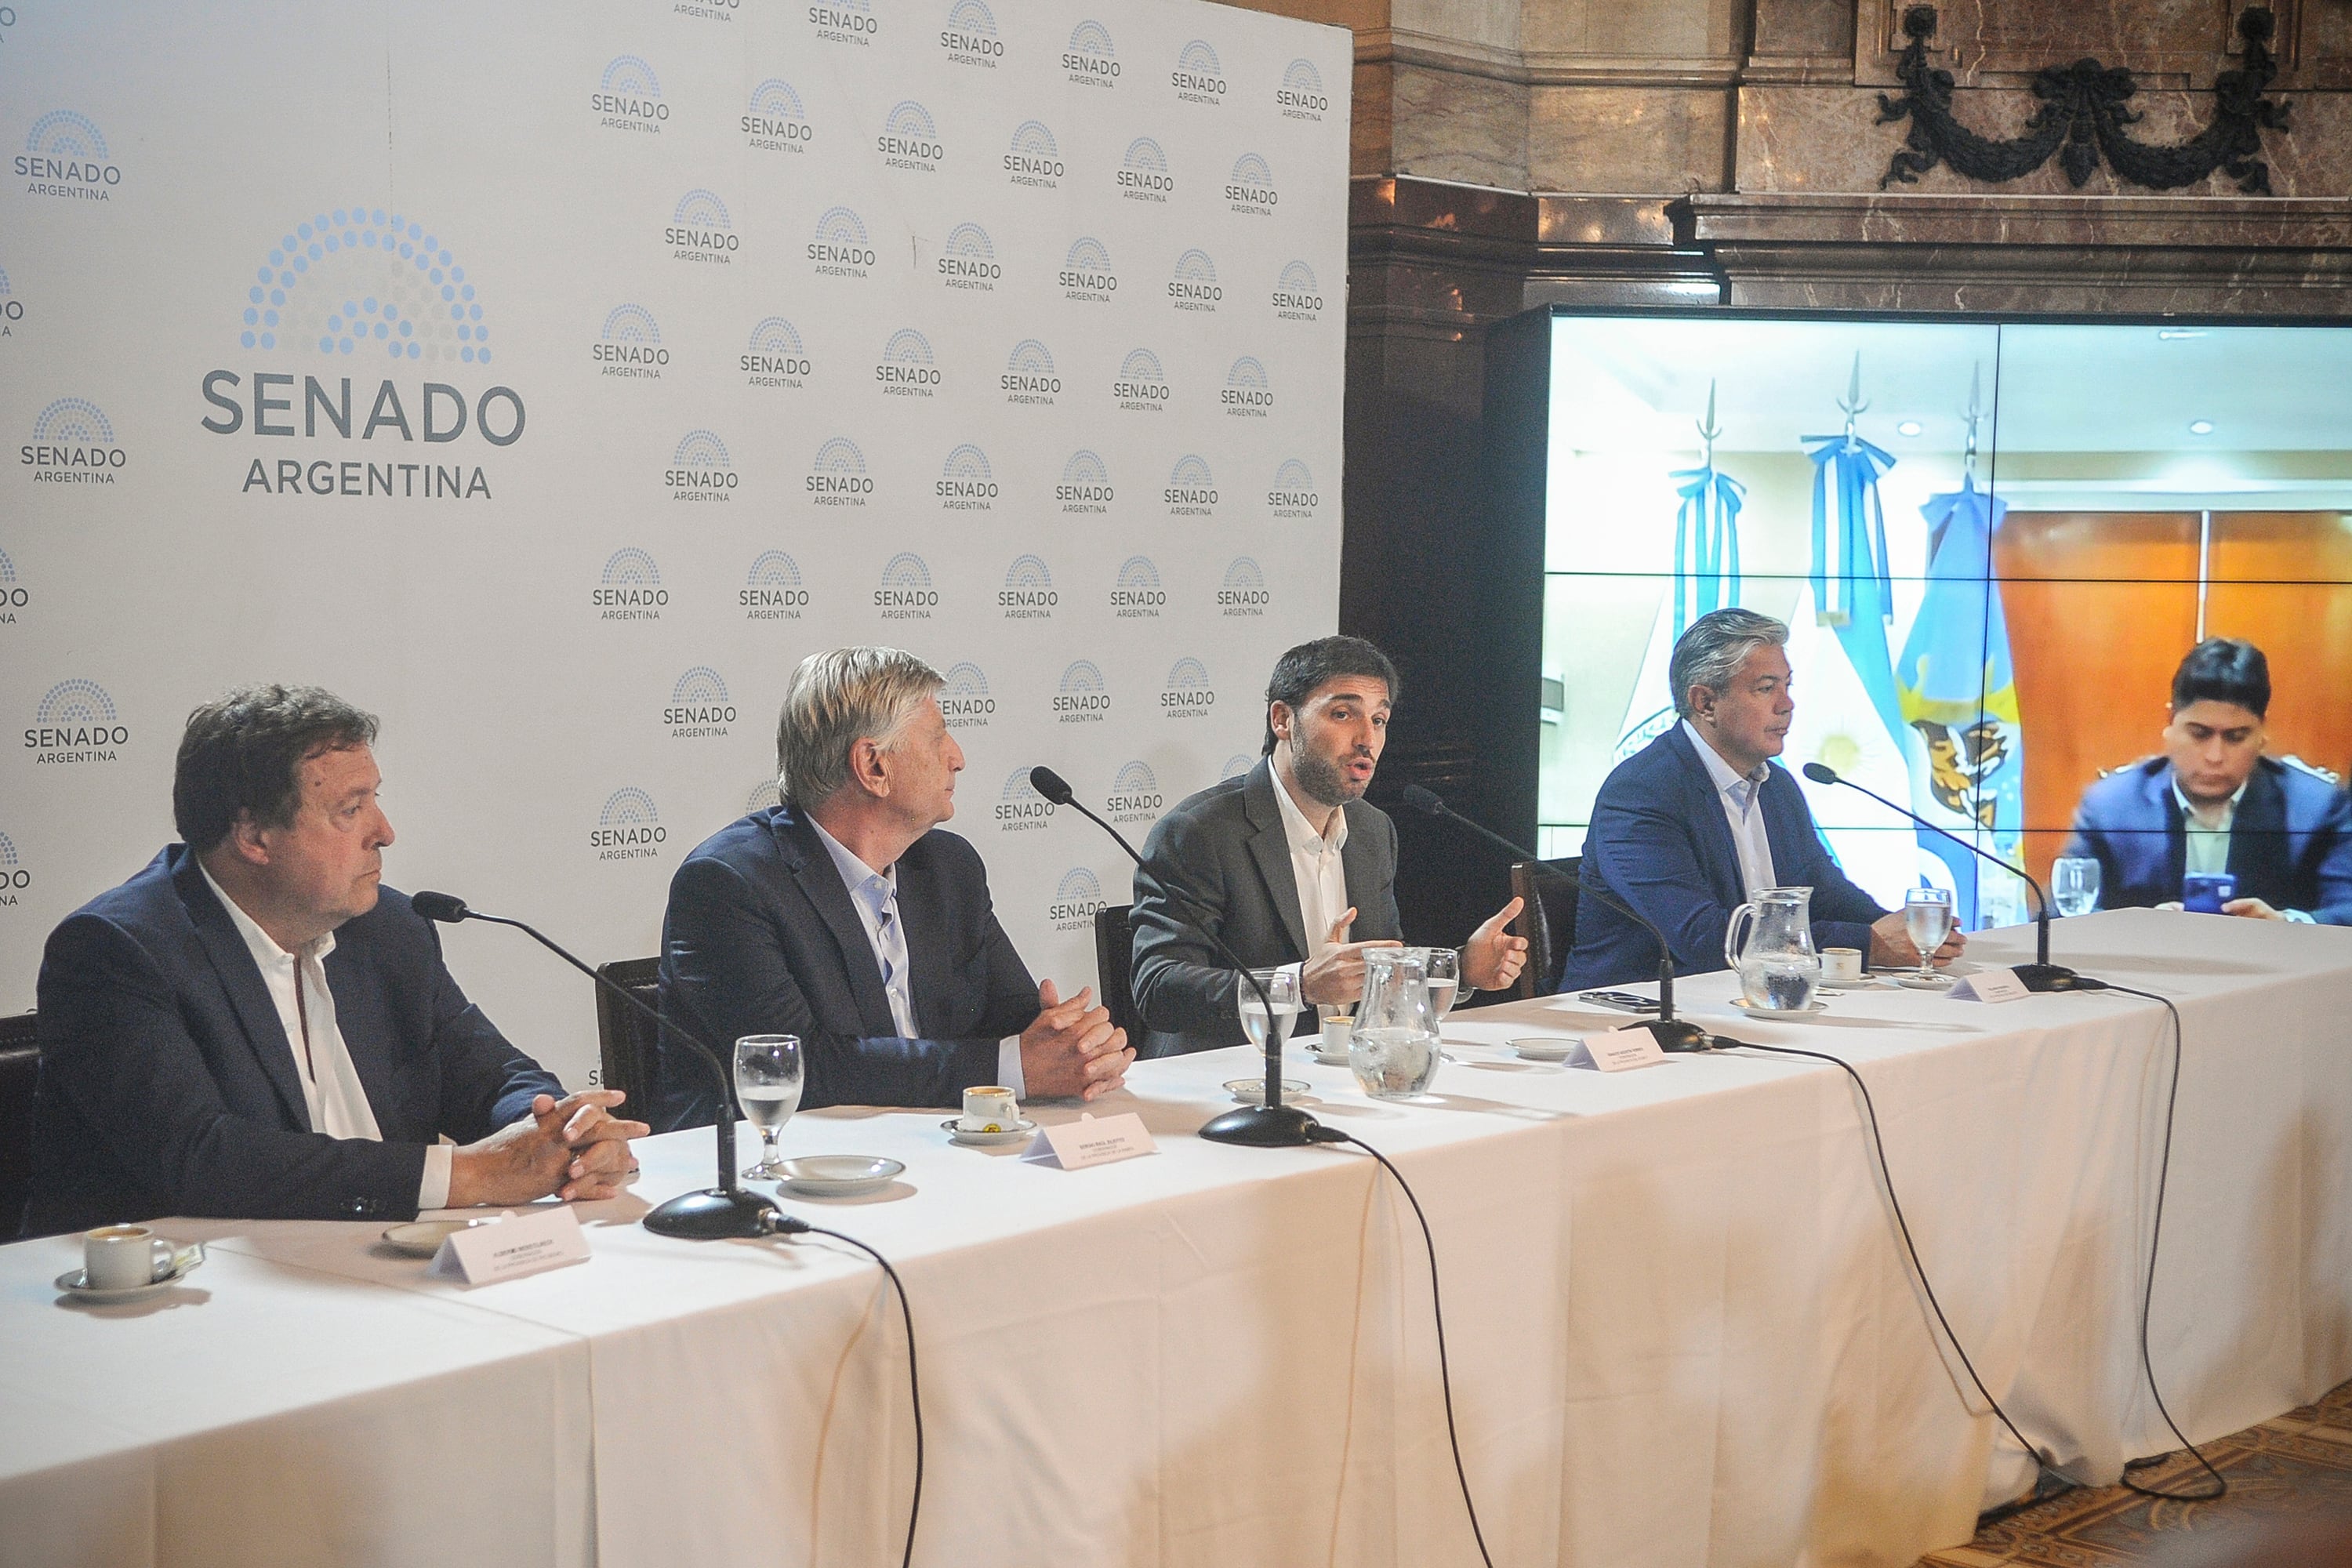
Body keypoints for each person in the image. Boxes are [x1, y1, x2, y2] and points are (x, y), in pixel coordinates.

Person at [24, 686, 642, 1239]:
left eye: (375, 800)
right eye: (351, 810)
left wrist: (566, 1137)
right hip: (180, 1306)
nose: (385, 831)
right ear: (255, 837)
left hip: (375, 1271)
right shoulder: (117, 953)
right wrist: (476, 1173)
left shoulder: (389, 929)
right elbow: (203, 1158)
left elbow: (493, 1076)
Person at [656, 646, 1131, 1128]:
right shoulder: (727, 884)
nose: (958, 758)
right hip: (783, 1168)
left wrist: (1069, 1045)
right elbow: (803, 1070)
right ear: (874, 767)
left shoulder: (948, 867)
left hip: (936, 1146)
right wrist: (1012, 1067)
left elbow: (1008, 1016)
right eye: (937, 738)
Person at [1129, 635, 1527, 1056]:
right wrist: (1297, 986)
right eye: (1343, 714)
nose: (1366, 740)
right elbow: (1159, 988)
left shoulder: (1373, 831)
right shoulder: (1199, 832)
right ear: (1282, 720)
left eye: (1379, 720)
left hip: (1344, 1074)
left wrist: (1462, 969)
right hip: (1226, 1083)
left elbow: (1380, 976)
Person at [1562, 608, 1964, 992]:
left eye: (1787, 686)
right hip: (1633, 1014)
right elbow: (1702, 938)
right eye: (1766, 688)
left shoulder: (1778, 787)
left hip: (1751, 997)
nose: (1787, 704)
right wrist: (1869, 943)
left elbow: (1824, 892)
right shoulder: (1641, 794)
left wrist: (1901, 931)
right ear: (1705, 703)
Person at [2064, 637, 2352, 924]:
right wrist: (2138, 929)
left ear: (2262, 731)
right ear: (2170, 722)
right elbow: (2063, 914)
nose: (2215, 756)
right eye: (2199, 734)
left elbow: (2346, 911)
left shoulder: (2317, 808)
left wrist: (2287, 926)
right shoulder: (2111, 807)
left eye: (2236, 737)